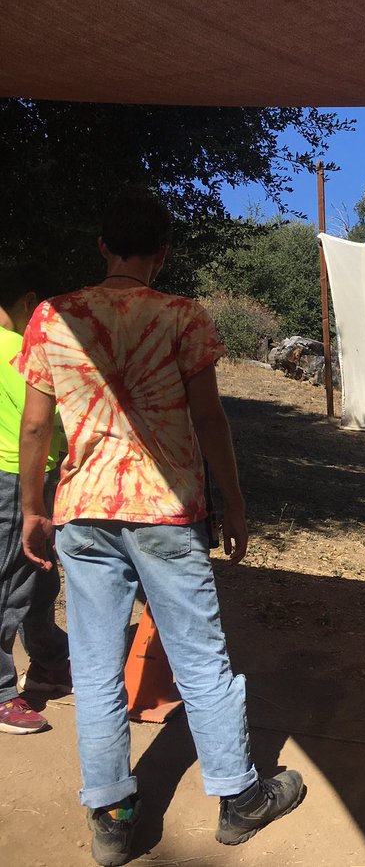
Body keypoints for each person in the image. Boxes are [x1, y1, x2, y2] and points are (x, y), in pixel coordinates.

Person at [17, 191, 305, 867]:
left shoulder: (54, 317)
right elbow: (210, 422)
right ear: (163, 252)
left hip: (84, 510)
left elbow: (36, 424)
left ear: (102, 245)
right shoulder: (182, 317)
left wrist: (34, 506)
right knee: (201, 656)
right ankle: (238, 800)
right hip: (168, 509)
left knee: (94, 664)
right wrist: (232, 501)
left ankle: (113, 816)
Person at [0, 273, 71, 734]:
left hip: (24, 478)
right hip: (14, 480)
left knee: (37, 576)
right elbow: (46, 418)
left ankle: (47, 661)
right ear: (28, 301)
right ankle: (4, 691)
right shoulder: (14, 352)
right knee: (10, 582)